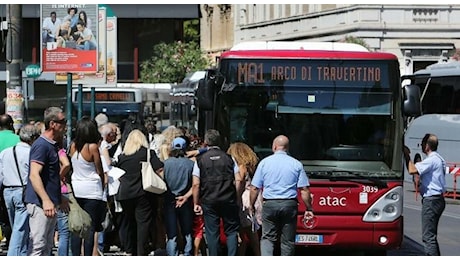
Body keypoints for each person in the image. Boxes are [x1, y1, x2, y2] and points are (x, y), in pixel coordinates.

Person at [248, 135, 313, 256]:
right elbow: (304, 190)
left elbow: (254, 188)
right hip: (289, 204)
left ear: (274, 147)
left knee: (268, 238)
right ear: (287, 148)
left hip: (269, 204)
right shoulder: (296, 164)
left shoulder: (264, 163)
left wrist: (251, 205)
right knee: (287, 241)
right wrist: (309, 208)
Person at [24, 106, 69, 256]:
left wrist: (58, 197)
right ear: (52, 124)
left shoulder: (52, 145)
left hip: (49, 202)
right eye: (62, 121)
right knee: (38, 245)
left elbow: (51, 176)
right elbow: (34, 175)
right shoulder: (41, 145)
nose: (65, 125)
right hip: (39, 204)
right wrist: (46, 200)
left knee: (47, 246)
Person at [192, 129, 242, 256]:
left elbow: (196, 184)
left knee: (212, 232)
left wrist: (196, 202)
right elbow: (239, 179)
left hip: (209, 200)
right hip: (228, 198)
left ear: (205, 142)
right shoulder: (229, 158)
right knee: (231, 231)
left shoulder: (200, 160)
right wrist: (236, 197)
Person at [114, 129, 164, 256]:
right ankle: (141, 251)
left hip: (124, 194)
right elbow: (159, 169)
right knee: (143, 223)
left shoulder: (122, 157)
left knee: (130, 222)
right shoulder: (148, 153)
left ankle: (130, 250)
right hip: (143, 193)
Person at [0, 124, 41, 255]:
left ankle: (21, 254)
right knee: (20, 230)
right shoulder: (30, 153)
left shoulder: (5, 153)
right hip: (22, 191)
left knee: (16, 227)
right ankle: (13, 255)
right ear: (33, 138)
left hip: (7, 192)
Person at [69, 116, 106, 256]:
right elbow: (99, 169)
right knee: (90, 227)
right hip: (92, 190)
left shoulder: (73, 146)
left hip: (76, 187)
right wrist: (102, 184)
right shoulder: (93, 147)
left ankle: (75, 255)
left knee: (77, 226)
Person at [404, 133, 446, 256]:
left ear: (427, 146)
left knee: (428, 237)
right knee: (431, 236)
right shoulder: (439, 158)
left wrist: (406, 155)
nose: (421, 146)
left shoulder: (432, 160)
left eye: (422, 143)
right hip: (438, 199)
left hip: (431, 199)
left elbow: (412, 170)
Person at [227, 142, 262, 256]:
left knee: (249, 233)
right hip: (250, 198)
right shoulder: (248, 166)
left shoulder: (240, 166)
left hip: (244, 200)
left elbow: (240, 180)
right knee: (247, 233)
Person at [163, 137, 195, 256]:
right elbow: (195, 184)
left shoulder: (166, 164)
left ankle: (172, 255)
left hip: (169, 200)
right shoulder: (190, 164)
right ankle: (187, 254)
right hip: (185, 199)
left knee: (172, 233)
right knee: (187, 231)